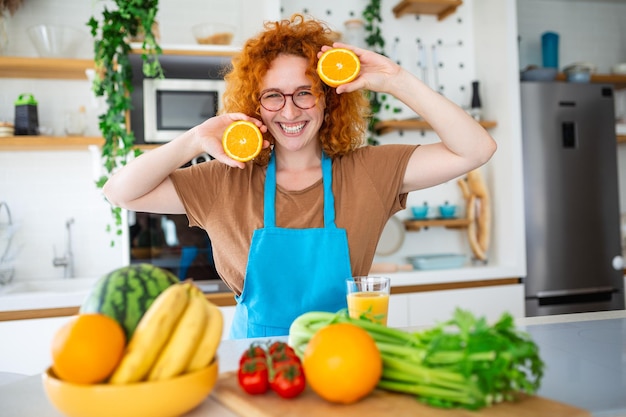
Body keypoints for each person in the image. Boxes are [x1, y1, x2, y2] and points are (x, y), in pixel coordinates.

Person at [103, 14, 497, 338]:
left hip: (346, 362)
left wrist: (394, 79)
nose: (289, 112)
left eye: (305, 93)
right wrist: (192, 140)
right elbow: (120, 191)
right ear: (255, 105)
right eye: (273, 95)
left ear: (328, 99)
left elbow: (476, 149)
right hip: (254, 366)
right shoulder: (224, 179)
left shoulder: (370, 171)